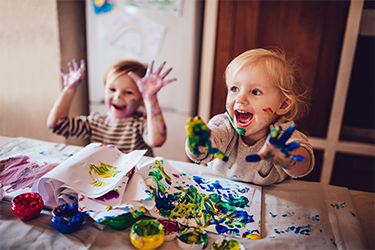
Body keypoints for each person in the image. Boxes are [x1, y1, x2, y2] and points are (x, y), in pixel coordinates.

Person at [185, 48, 315, 185]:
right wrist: (198, 145)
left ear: (283, 105)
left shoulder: (282, 136)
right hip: (216, 191)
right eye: (235, 89)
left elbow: (303, 167)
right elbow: (201, 153)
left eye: (255, 92)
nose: (240, 99)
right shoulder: (224, 125)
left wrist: (288, 157)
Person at [47, 59, 176, 157]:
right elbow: (56, 125)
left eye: (129, 92)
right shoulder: (95, 122)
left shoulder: (140, 124)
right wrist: (70, 89)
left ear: (141, 98)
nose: (118, 96)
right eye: (112, 89)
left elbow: (157, 140)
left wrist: (150, 98)